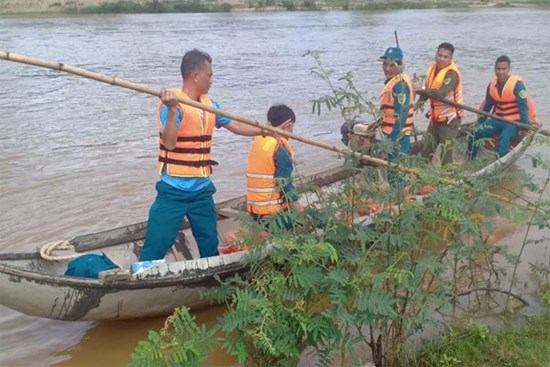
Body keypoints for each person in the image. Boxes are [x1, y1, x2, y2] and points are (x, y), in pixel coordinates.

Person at [139, 49, 265, 261]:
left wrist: (265, 130)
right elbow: (169, 143)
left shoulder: (210, 105)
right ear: (195, 76)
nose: (212, 80)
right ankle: (144, 276)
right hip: (173, 190)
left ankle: (214, 279)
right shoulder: (173, 105)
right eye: (210, 75)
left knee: (209, 241)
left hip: (201, 190)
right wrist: (171, 110)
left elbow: (235, 125)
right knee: (158, 241)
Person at [246, 104, 304, 231]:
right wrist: (304, 215)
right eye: (292, 127)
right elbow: (286, 188)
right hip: (273, 216)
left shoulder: (259, 140)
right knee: (314, 220)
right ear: (288, 125)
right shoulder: (280, 149)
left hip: (254, 213)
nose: (292, 132)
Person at [468, 55, 533, 159]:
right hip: (497, 119)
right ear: (494, 69)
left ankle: (501, 161)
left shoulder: (518, 85)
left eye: (504, 69)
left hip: (513, 122)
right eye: (498, 69)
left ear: (509, 69)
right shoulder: (491, 85)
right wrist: (480, 121)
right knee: (476, 132)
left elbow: (523, 107)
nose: (501, 72)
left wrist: (524, 127)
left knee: (505, 137)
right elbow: (487, 106)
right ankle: (470, 158)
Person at [417, 42, 464, 165]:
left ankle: (447, 179)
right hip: (435, 118)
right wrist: (415, 106)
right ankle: (422, 177)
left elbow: (440, 93)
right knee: (427, 148)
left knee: (446, 153)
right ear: (436, 55)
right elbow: (427, 91)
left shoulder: (452, 74)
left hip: (450, 120)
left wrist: (420, 88)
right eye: (439, 55)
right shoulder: (432, 69)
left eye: (445, 57)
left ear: (450, 58)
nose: (441, 59)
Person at [378, 46, 415, 187]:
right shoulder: (392, 82)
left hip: (398, 135)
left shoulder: (399, 85)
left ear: (399, 66)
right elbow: (390, 110)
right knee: (393, 170)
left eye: (391, 65)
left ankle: (402, 196)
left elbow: (402, 113)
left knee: (395, 171)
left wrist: (394, 139)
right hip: (391, 133)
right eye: (385, 64)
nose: (387, 69)